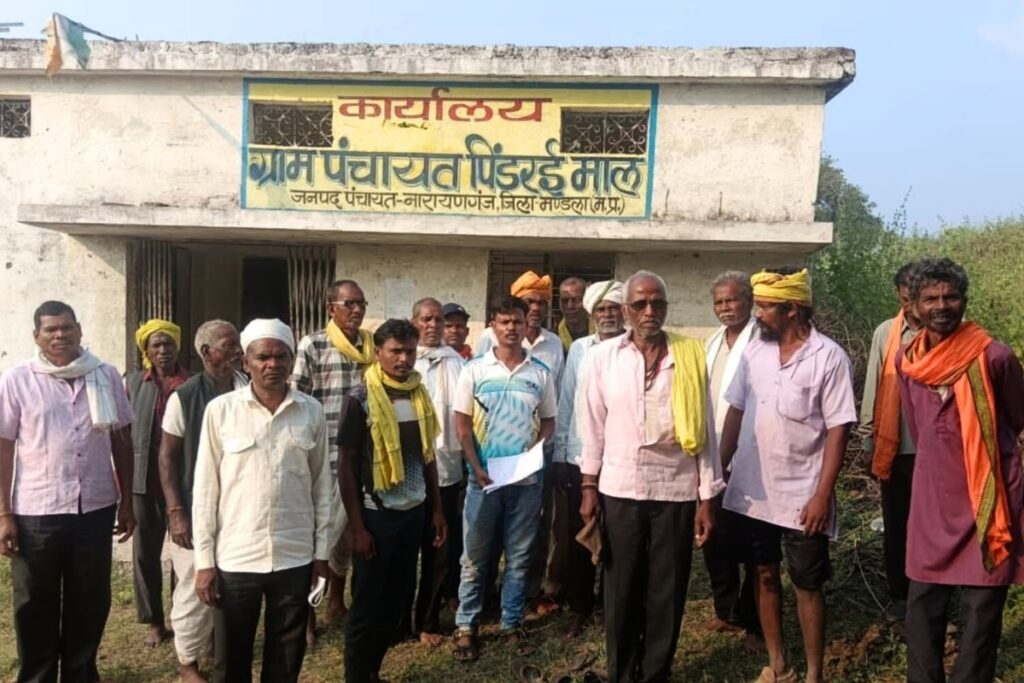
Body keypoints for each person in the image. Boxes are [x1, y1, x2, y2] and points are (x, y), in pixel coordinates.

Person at [578, 270, 722, 683]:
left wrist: (706, 498)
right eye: (640, 304)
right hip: (619, 486)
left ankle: (655, 672)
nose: (649, 311)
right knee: (621, 586)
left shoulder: (689, 355)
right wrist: (589, 487)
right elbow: (592, 426)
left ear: (666, 307)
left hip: (676, 488)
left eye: (657, 303)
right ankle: (622, 672)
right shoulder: (602, 358)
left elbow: (706, 430)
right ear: (625, 310)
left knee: (668, 587)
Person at [720, 268, 856, 683]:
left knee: (806, 584)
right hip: (753, 488)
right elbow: (735, 411)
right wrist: (719, 470)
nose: (757, 314)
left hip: (803, 493)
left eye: (764, 306)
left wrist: (823, 495)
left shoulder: (828, 356)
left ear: (792, 309)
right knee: (763, 573)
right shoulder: (753, 353)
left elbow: (839, 429)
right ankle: (778, 664)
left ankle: (814, 673)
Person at [896, 258, 1024, 683]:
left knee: (981, 615)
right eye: (930, 297)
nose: (941, 305)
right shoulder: (908, 362)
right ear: (913, 305)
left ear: (964, 301)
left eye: (950, 296)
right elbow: (920, 429)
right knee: (922, 607)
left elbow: (1016, 418)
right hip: (933, 500)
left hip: (989, 500)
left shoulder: (996, 357)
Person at [0, 300, 136, 682]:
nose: (59, 335)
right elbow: (4, 445)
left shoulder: (105, 375)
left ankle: (80, 673)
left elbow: (122, 440)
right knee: (34, 603)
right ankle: (37, 677)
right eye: (50, 330)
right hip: (36, 511)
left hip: (94, 508)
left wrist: (126, 501)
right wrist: (4, 514)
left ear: (78, 329)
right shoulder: (17, 379)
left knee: (89, 601)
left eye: (66, 327)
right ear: (36, 337)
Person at [193, 318, 331, 683]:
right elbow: (205, 491)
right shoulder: (220, 412)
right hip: (236, 558)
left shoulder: (311, 412)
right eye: (262, 357)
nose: (272, 364)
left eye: (280, 356)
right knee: (230, 662)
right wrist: (205, 563)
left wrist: (321, 555)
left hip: (295, 556)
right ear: (246, 362)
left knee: (286, 659)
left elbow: (322, 488)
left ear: (291, 361)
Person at [338, 318, 449, 683]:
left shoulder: (419, 395)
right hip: (376, 517)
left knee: (398, 598)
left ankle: (373, 670)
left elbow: (427, 456)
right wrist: (357, 528)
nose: (403, 359)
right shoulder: (361, 398)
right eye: (395, 351)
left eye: (410, 351)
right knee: (367, 604)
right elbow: (348, 466)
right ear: (379, 353)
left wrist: (435, 509)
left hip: (413, 513)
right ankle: (356, 675)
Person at [451, 297, 558, 662]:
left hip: (526, 485)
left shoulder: (539, 373)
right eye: (503, 322)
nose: (511, 328)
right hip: (483, 482)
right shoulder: (475, 370)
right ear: (492, 327)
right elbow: (462, 427)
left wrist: (535, 455)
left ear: (526, 324)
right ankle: (466, 625)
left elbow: (549, 423)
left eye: (517, 321)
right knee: (475, 558)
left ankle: (512, 623)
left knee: (520, 556)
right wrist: (475, 466)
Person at [159, 320, 246, 683]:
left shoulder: (249, 388)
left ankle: (217, 647)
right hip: (195, 508)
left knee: (229, 581)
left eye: (238, 343)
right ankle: (187, 663)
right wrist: (176, 512)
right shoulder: (185, 396)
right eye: (229, 345)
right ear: (207, 353)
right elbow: (166, 457)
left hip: (239, 506)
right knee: (195, 584)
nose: (238, 351)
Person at [291, 279, 374, 633]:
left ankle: (337, 603)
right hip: (326, 461)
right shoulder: (313, 345)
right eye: (348, 303)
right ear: (331, 309)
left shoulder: (371, 346)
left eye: (361, 303)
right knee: (317, 539)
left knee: (351, 537)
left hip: (364, 461)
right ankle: (306, 615)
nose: (356, 310)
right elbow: (296, 400)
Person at [478, 271, 564, 608]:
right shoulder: (490, 338)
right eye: (529, 301)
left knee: (534, 524)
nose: (535, 308)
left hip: (536, 451)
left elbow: (554, 402)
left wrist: (545, 446)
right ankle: (486, 592)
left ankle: (529, 591)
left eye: (541, 302)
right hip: (496, 449)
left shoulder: (554, 344)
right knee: (492, 524)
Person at [553, 280, 625, 637]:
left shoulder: (634, 347)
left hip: (622, 460)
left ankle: (610, 604)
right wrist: (562, 455)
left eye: (613, 307)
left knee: (617, 535)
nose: (607, 314)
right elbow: (568, 400)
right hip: (580, 457)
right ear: (592, 313)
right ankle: (580, 606)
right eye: (601, 309)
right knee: (579, 534)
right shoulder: (580, 348)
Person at [859, 261, 922, 621]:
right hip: (895, 447)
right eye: (904, 299)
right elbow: (874, 386)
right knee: (897, 525)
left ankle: (932, 594)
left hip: (937, 451)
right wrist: (868, 442)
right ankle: (900, 596)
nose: (911, 308)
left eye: (917, 299)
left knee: (931, 525)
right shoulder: (887, 332)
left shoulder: (946, 333)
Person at [701, 272, 761, 642]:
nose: (725, 308)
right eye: (719, 302)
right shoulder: (712, 342)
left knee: (753, 542)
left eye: (732, 300)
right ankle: (727, 611)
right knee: (714, 537)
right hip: (714, 451)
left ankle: (755, 619)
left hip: (752, 452)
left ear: (750, 301)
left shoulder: (763, 340)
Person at [405, 298, 466, 646]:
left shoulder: (458, 363)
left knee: (439, 551)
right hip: (406, 475)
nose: (433, 325)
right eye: (426, 319)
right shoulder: (402, 362)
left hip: (446, 473)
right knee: (401, 552)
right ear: (414, 322)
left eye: (438, 320)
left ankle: (428, 619)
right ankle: (398, 620)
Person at [127, 318, 191, 648]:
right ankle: (153, 619)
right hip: (143, 482)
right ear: (146, 350)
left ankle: (182, 617)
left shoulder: (190, 383)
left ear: (178, 346)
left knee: (184, 552)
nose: (163, 350)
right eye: (156, 345)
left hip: (181, 482)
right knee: (145, 554)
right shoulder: (135, 383)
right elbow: (122, 432)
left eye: (168, 344)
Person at [557, 276, 594, 352]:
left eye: (576, 300)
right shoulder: (552, 340)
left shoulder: (602, 337)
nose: (570, 306)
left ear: (587, 301)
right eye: (565, 301)